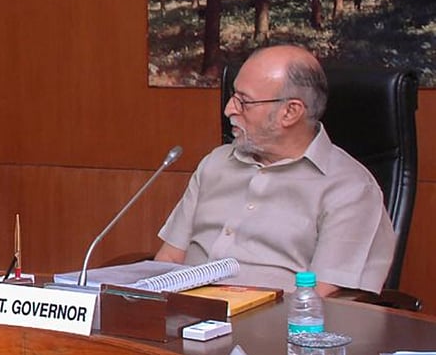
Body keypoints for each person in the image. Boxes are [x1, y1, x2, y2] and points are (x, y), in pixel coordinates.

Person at [155, 45, 396, 297]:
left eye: (244, 101)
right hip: (184, 313)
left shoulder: (350, 189)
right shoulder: (215, 163)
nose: (229, 109)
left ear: (290, 112)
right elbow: (169, 259)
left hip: (270, 319)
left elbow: (321, 299)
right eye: (233, 96)